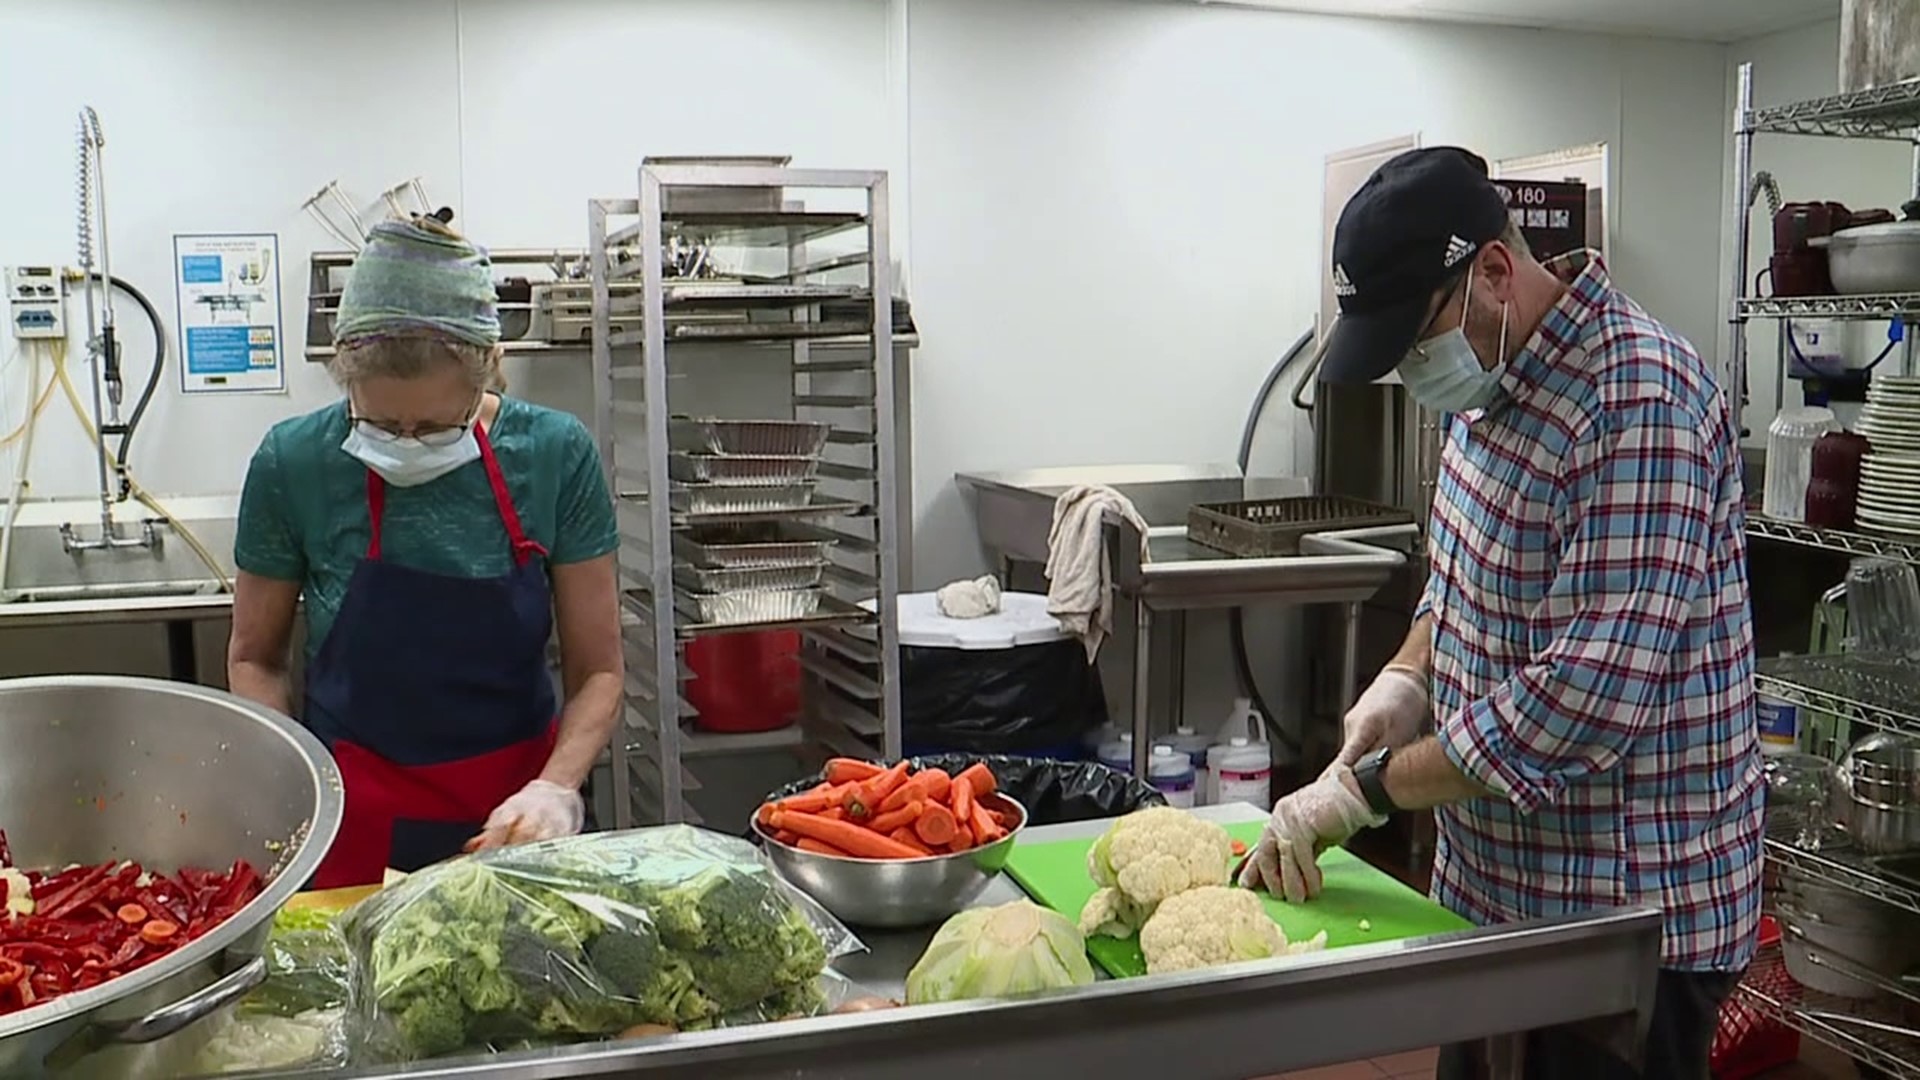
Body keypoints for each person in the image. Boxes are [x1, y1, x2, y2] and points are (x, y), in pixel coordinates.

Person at [1239, 148, 1762, 1079]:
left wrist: (1360, 793)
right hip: (1493, 897)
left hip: (1621, 916)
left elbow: (1582, 703)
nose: (1412, 370)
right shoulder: (1486, 386)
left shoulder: (1637, 403)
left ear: (1491, 271)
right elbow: (1464, 588)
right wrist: (1406, 677)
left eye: (1415, 342)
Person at [227, 217, 623, 889]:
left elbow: (600, 672)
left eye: (438, 425)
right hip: (352, 816)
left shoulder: (555, 454)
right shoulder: (293, 461)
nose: (407, 442)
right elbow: (253, 658)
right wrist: (299, 791)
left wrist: (556, 789)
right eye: (379, 422)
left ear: (489, 374)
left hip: (515, 818)